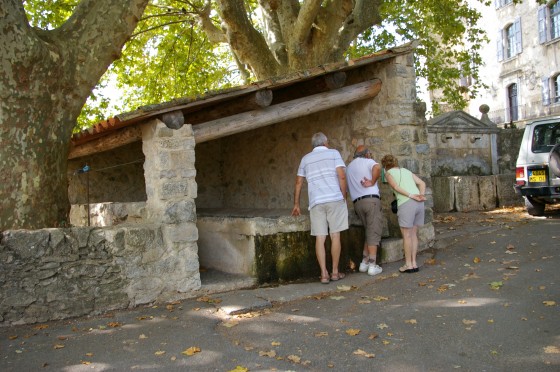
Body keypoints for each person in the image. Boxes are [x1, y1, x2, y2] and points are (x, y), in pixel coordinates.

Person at [292, 132, 348, 284]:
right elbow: (341, 176)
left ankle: (324, 274)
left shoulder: (305, 159)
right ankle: (335, 272)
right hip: (334, 199)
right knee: (335, 235)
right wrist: (344, 194)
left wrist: (296, 204)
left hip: (316, 201)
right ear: (325, 142)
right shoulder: (333, 153)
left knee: (320, 237)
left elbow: (298, 182)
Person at [380, 155, 426, 273]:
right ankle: (414, 263)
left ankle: (408, 264)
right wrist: (421, 194)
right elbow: (422, 183)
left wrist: (410, 195)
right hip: (419, 203)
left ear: (385, 166)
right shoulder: (406, 170)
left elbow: (395, 186)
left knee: (407, 235)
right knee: (414, 234)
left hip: (406, 203)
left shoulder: (388, 173)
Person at [346, 145, 383, 276]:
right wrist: (373, 181)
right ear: (366, 154)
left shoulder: (349, 167)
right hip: (371, 200)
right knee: (374, 231)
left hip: (358, 203)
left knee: (369, 230)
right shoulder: (368, 161)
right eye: (370, 153)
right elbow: (378, 168)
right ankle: (373, 265)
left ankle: (364, 262)